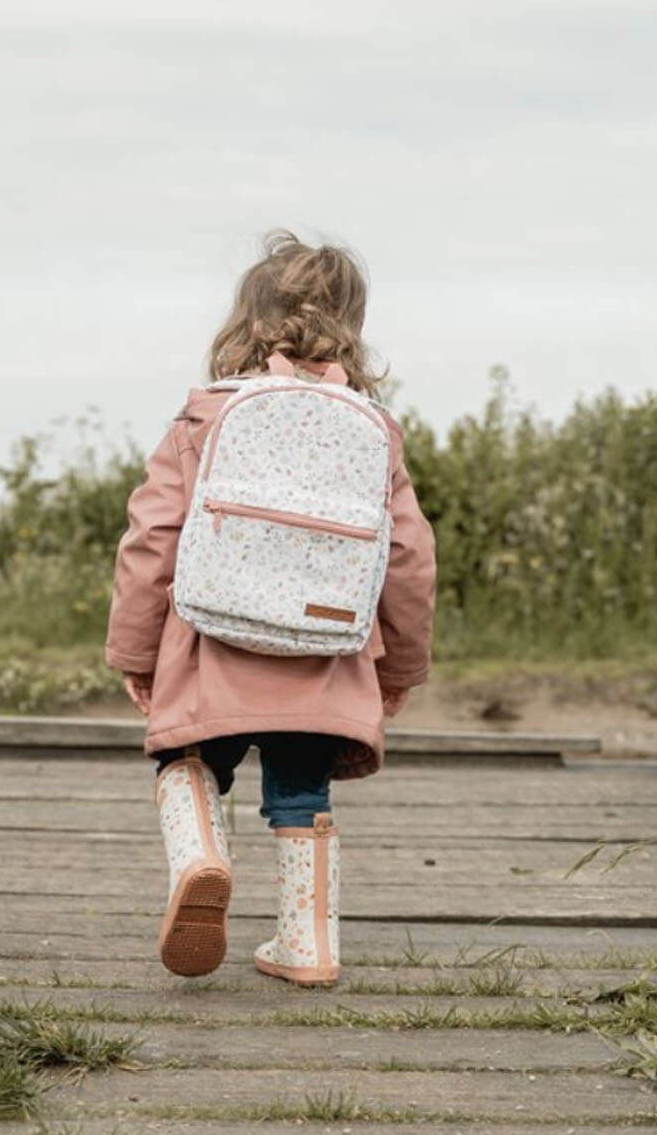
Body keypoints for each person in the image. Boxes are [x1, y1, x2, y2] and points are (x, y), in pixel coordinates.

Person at [105, 231, 436, 987]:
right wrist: (403, 663)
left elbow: (151, 535)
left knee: (185, 762)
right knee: (301, 791)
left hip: (209, 642)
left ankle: (199, 856)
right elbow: (411, 555)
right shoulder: (373, 430)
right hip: (324, 646)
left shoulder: (206, 416)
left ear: (246, 324)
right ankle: (307, 945)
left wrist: (133, 650)